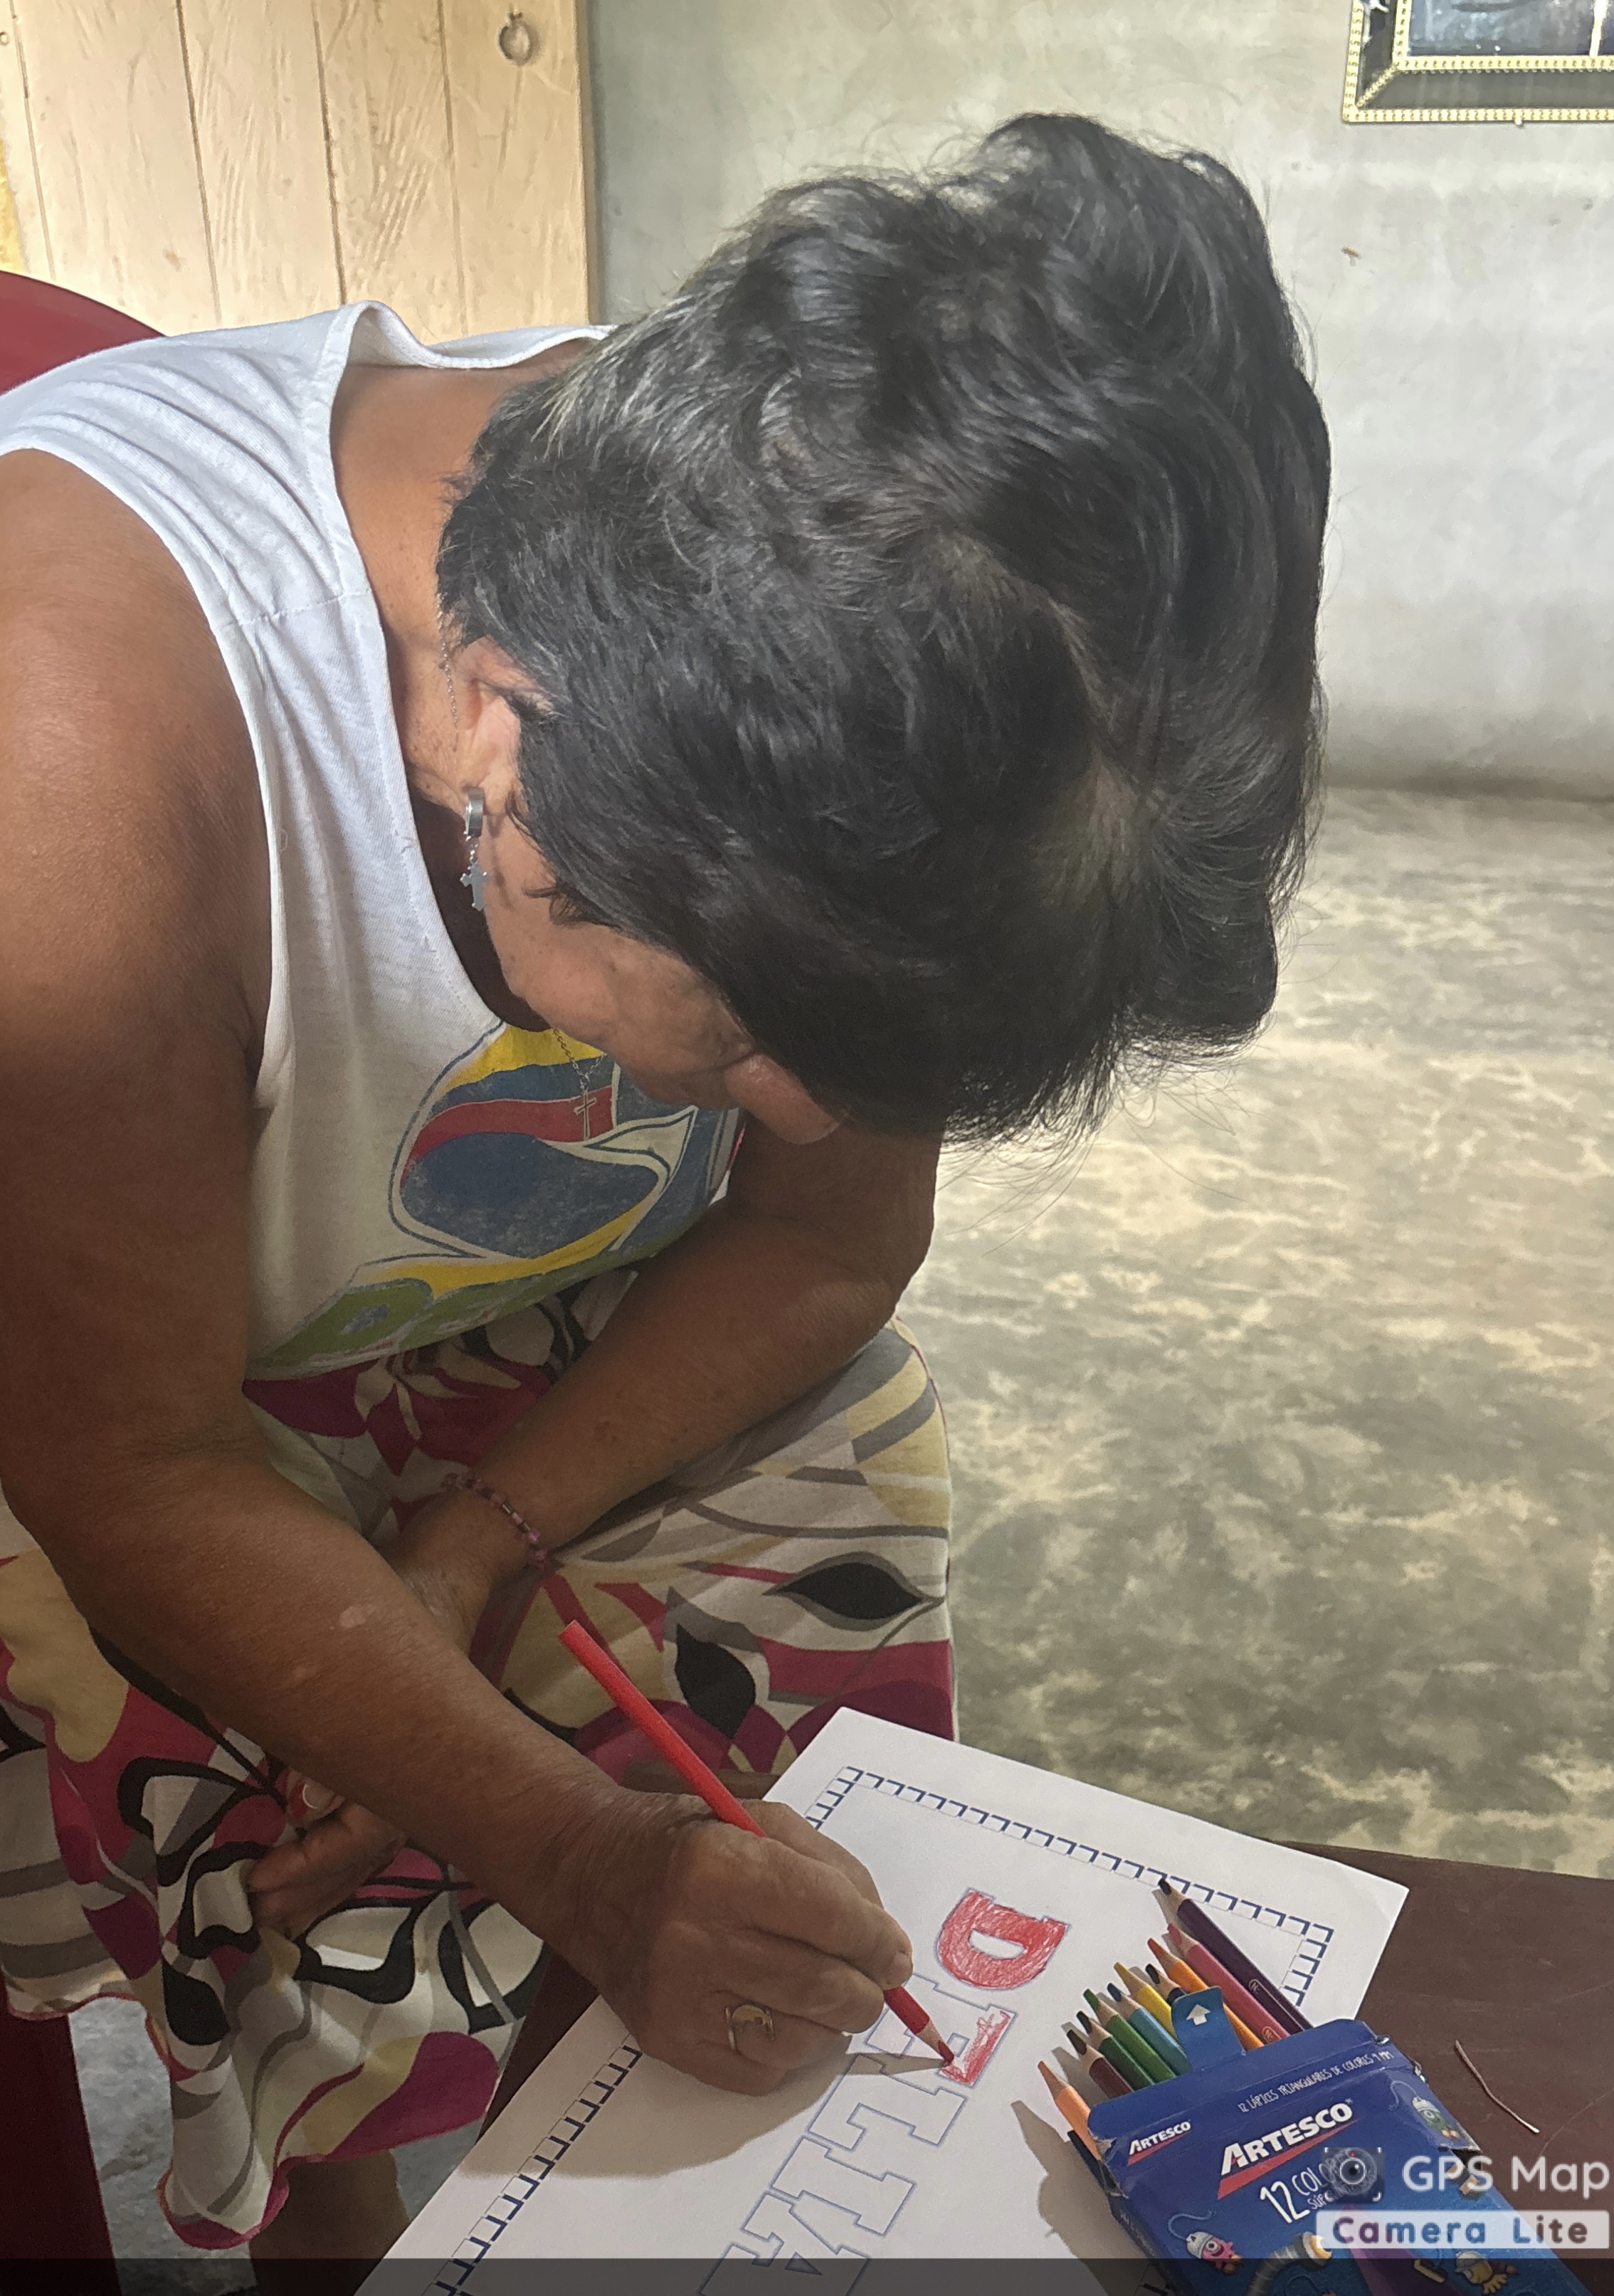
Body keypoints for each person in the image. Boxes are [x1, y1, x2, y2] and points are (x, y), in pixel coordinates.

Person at [0, 113, 1329, 2265]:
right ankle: (338, 2202)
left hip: (441, 1292)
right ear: (497, 738)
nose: (796, 1115)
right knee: (265, 1770)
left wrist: (477, 1532)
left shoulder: (875, 606)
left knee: (813, 1469)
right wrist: (581, 1857)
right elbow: (120, 1457)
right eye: (744, 1042)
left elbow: (827, 1241)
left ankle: (616, 2175)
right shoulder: (72, 756)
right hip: (99, 1362)